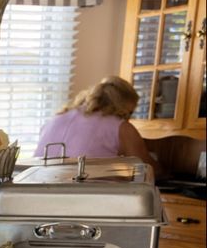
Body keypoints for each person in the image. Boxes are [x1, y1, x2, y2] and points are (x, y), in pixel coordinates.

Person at [34, 75, 163, 177]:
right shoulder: (120, 127)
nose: (128, 118)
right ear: (122, 106)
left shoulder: (56, 118)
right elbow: (148, 170)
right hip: (82, 199)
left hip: (37, 193)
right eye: (130, 112)